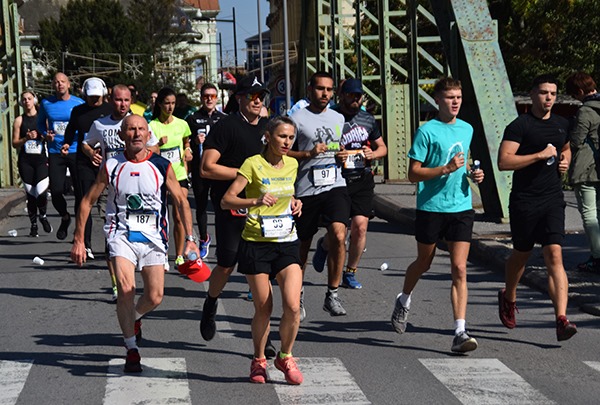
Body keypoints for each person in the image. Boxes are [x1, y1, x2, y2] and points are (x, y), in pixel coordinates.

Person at [70, 114, 199, 373]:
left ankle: (135, 318)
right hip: (121, 234)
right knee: (126, 289)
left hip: (153, 236)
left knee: (155, 296)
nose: (137, 134)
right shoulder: (111, 165)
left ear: (148, 135)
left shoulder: (162, 165)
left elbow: (182, 201)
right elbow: (87, 201)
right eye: (131, 129)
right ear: (122, 135)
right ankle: (131, 349)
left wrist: (190, 239)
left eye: (141, 129)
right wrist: (79, 239)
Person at [390, 77, 484, 353]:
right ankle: (404, 298)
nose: (455, 102)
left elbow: (465, 161)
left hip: (461, 207)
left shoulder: (467, 129)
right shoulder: (427, 131)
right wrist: (444, 169)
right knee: (424, 262)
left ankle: (459, 331)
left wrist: (474, 175)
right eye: (450, 97)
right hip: (432, 207)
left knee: (459, 268)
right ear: (438, 101)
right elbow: (412, 173)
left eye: (459, 97)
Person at [221, 116, 304, 385]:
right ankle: (258, 360)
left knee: (292, 305)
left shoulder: (292, 164)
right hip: (256, 242)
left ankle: (285, 356)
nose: (287, 142)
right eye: (282, 137)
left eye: (290, 138)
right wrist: (255, 200)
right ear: (268, 137)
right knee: (264, 308)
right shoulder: (252, 164)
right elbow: (226, 200)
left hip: (287, 241)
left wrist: (295, 202)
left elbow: (286, 192)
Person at [497, 74, 577, 342]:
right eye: (544, 93)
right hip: (524, 201)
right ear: (532, 95)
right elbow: (504, 162)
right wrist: (539, 156)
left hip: (552, 199)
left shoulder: (561, 124)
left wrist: (564, 160)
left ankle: (561, 319)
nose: (549, 98)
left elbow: (566, 149)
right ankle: (509, 295)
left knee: (554, 254)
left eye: (553, 93)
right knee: (521, 254)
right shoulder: (520, 126)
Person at [199, 75, 272, 349]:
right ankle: (211, 301)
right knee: (228, 264)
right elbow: (207, 167)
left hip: (264, 208)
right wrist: (245, 175)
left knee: (260, 271)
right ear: (239, 98)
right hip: (232, 206)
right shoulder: (226, 126)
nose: (258, 101)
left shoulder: (268, 127)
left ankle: (263, 339)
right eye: (252, 96)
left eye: (261, 96)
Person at [82, 84, 160, 301]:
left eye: (126, 100)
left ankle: (137, 270)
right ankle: (118, 283)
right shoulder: (100, 124)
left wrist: (140, 150)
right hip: (109, 185)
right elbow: (86, 144)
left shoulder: (139, 123)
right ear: (110, 100)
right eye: (118, 100)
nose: (122, 104)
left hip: (137, 187)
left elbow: (155, 149)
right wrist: (92, 154)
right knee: (111, 237)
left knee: (139, 231)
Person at [288, 71, 349, 319]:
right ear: (310, 90)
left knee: (338, 233)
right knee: (302, 245)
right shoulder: (297, 118)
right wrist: (308, 155)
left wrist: (342, 154)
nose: (325, 94)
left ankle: (332, 294)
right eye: (320, 89)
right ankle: (297, 295)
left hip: (335, 184)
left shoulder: (338, 117)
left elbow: (338, 146)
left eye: (329, 89)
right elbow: (283, 152)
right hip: (306, 188)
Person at [330, 78, 387, 289]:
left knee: (361, 228)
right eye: (352, 94)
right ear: (342, 95)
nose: (356, 98)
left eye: (359, 95)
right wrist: (335, 153)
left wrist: (373, 153)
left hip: (362, 177)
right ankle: (324, 246)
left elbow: (383, 148)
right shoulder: (331, 116)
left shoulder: (368, 119)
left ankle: (350, 272)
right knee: (339, 233)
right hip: (338, 179)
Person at [61, 77, 112, 259]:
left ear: (104, 94)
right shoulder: (78, 111)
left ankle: (111, 243)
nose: (94, 100)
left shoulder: (111, 110)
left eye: (97, 97)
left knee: (109, 204)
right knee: (85, 201)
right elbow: (71, 130)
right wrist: (66, 143)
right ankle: (86, 244)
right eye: (91, 97)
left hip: (108, 162)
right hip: (84, 161)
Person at [37, 72, 84, 240]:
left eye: (63, 81)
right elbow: (40, 123)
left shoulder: (78, 103)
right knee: (56, 190)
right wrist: (45, 134)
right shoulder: (46, 103)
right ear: (53, 85)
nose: (59, 84)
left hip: (75, 150)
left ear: (69, 84)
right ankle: (65, 216)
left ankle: (79, 230)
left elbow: (85, 125)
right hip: (56, 151)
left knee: (80, 192)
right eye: (56, 82)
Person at [149, 87, 193, 269]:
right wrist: (158, 144)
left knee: (178, 214)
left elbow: (186, 142)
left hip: (179, 173)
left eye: (173, 103)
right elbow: (147, 150)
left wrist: (188, 150)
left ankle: (180, 254)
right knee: (160, 215)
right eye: (166, 103)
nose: (170, 107)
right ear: (159, 104)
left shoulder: (182, 124)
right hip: (159, 174)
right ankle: (162, 252)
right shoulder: (152, 126)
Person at [186, 83, 227, 258]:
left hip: (218, 169)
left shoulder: (224, 118)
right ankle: (203, 238)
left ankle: (222, 241)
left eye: (212, 96)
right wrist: (194, 142)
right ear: (201, 98)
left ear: (217, 98)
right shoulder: (193, 118)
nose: (209, 99)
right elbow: (185, 143)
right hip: (199, 169)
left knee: (220, 206)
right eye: (205, 96)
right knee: (201, 205)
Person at [565, 72, 600, 273]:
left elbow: (576, 141)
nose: (574, 99)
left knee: (589, 214)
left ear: (579, 91)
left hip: (587, 168)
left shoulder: (586, 111)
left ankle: (596, 257)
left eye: (573, 95)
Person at [12, 90, 52, 237]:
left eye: (29, 98)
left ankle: (43, 215)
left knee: (41, 192)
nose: (27, 101)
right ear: (21, 103)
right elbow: (14, 143)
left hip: (41, 160)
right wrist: (26, 138)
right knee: (31, 195)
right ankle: (33, 225)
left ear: (34, 100)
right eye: (24, 99)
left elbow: (50, 136)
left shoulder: (44, 119)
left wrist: (45, 136)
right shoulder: (19, 120)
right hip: (25, 162)